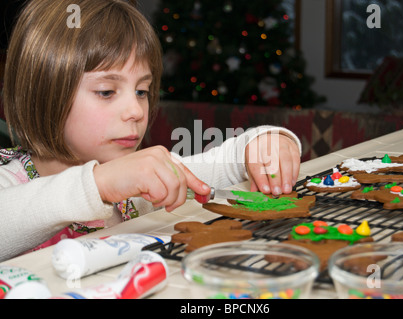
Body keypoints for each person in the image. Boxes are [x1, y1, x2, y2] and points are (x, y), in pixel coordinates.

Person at [0, 0, 301, 262]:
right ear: (42, 92)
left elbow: (226, 162)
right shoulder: (10, 180)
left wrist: (265, 142)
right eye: (106, 91)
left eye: (142, 91)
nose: (136, 110)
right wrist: (98, 184)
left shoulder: (143, 180)